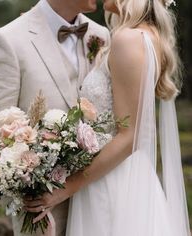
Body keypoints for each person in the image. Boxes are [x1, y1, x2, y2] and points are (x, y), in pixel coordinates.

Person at [23, 0, 191, 235]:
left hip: (113, 185)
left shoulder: (129, 39)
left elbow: (129, 136)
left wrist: (67, 188)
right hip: (124, 175)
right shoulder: (145, 35)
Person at [0, 0, 110, 235]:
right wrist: (29, 195)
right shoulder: (8, 40)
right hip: (44, 216)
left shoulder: (101, 35)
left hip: (102, 205)